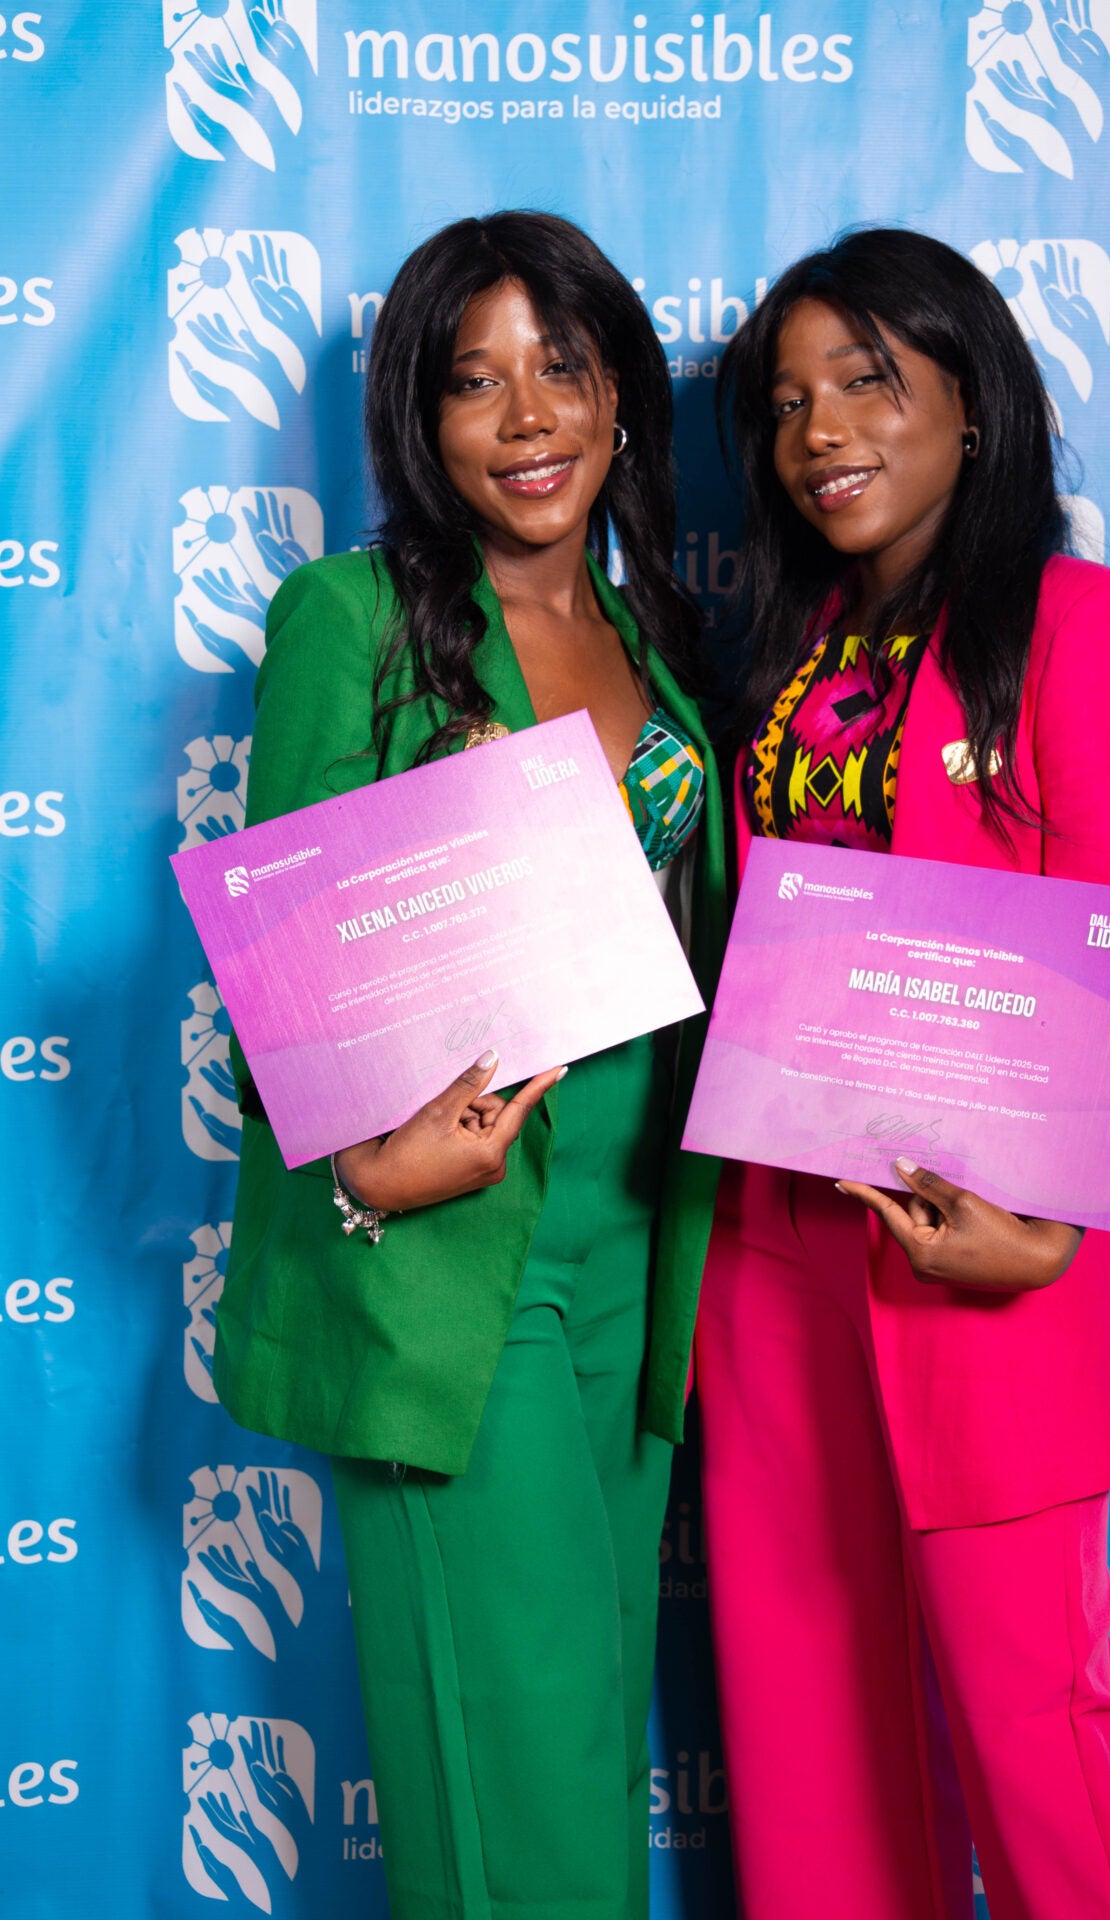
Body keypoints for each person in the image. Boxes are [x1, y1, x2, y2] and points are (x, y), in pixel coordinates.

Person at [695, 227, 1110, 1920]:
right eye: (789, 403)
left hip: (985, 1236)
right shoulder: (789, 647)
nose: (821, 432)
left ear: (973, 401)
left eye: (867, 381)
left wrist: (1051, 1221)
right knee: (811, 1733)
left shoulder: (1080, 625)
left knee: (1035, 1726)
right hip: (777, 1240)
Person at [212, 211, 726, 1920]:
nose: (526, 417)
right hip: (454, 1255)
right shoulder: (351, 617)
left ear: (622, 393)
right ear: (418, 423)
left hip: (636, 1241)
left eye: (561, 367)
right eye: (472, 381)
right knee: (518, 1768)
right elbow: (278, 959)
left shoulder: (660, 646)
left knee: (588, 1728)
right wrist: (365, 1171)